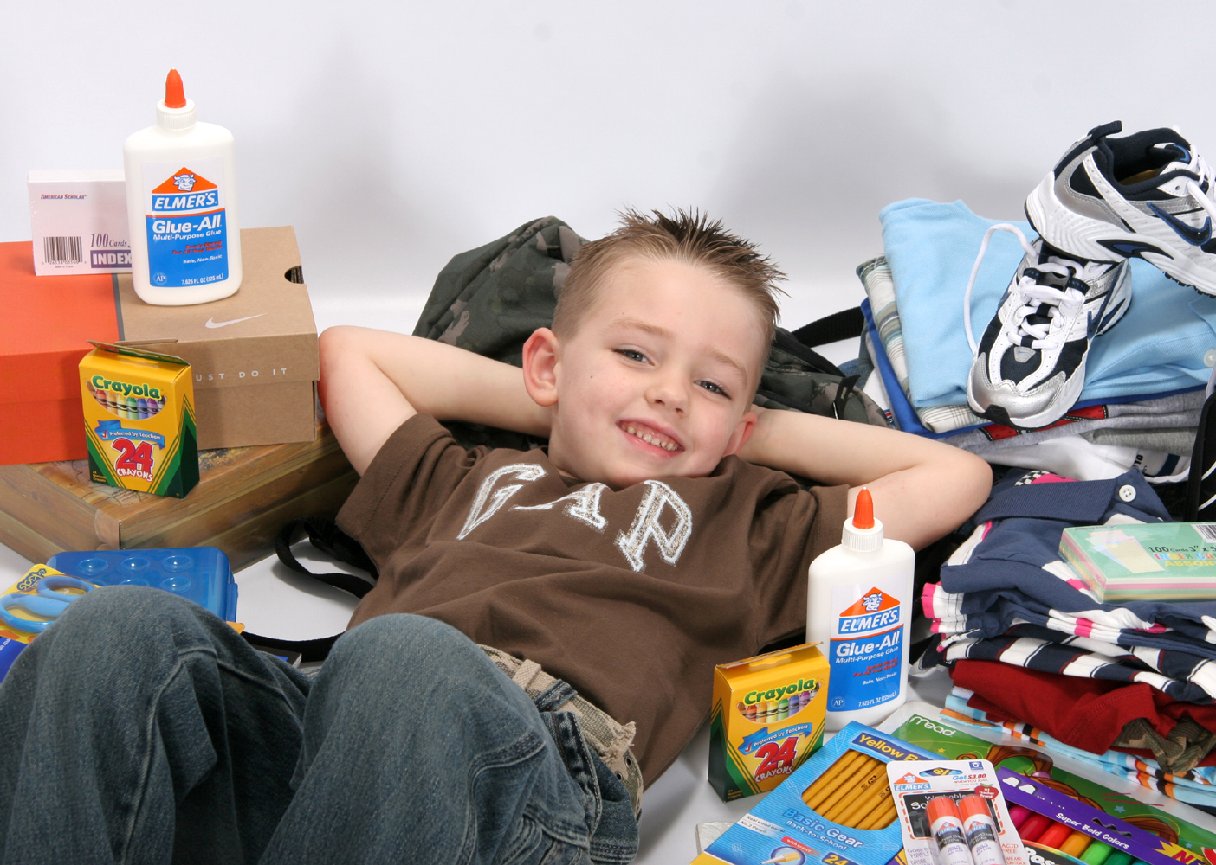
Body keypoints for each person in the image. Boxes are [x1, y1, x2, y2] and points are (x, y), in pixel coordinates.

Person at [0, 209, 991, 864]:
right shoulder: (463, 477)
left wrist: (741, 433)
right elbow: (349, 355)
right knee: (116, 630)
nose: (666, 392)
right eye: (635, 353)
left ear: (741, 424)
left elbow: (955, 475)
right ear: (547, 365)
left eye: (709, 381)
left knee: (402, 658)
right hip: (334, 747)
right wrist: (558, 401)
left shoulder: (753, 518)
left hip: (536, 781)